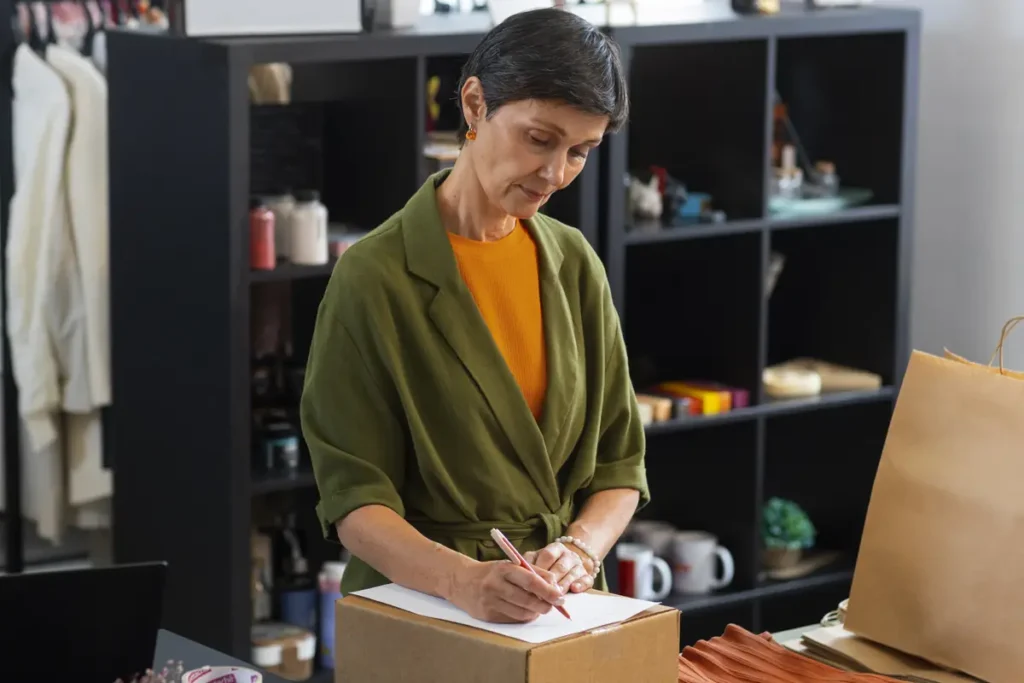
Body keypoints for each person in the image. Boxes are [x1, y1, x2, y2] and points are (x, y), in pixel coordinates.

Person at [301, 8, 648, 626]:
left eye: (580, 151)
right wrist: (462, 582)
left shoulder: (573, 265)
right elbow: (354, 498)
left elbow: (621, 465)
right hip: (418, 607)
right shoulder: (374, 277)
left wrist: (578, 549)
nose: (554, 173)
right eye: (539, 139)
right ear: (475, 104)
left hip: (556, 610)